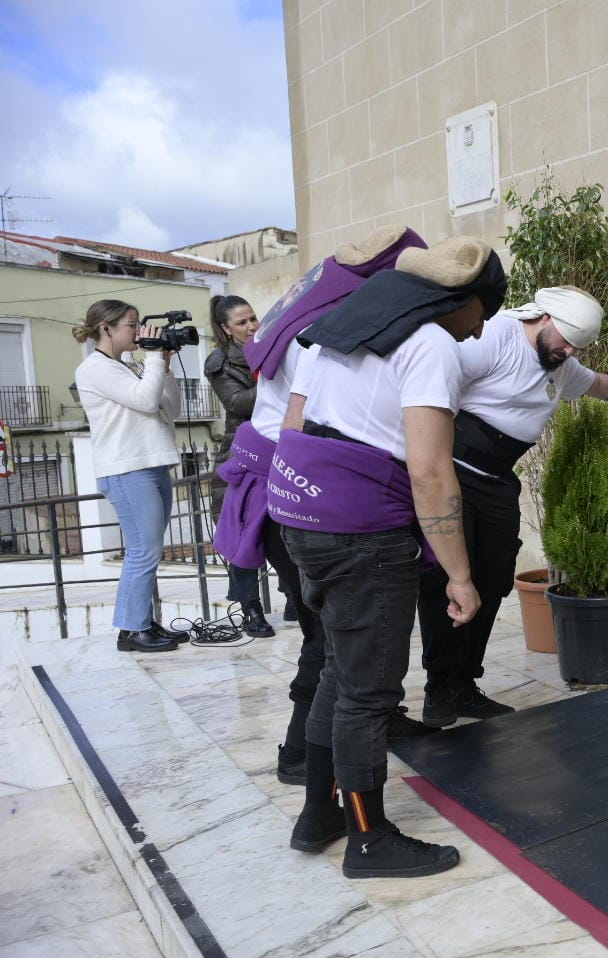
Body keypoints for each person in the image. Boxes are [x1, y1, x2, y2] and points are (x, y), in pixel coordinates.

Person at [270, 235, 504, 878]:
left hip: (303, 516)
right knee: (369, 691)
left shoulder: (334, 330)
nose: (479, 328)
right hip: (362, 534)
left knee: (340, 673)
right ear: (458, 300)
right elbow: (431, 472)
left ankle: (320, 813)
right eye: (482, 311)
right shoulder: (428, 342)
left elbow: (293, 429)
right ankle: (369, 841)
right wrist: (461, 574)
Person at [215, 225, 429, 785]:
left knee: (341, 639)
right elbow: (307, 420)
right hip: (298, 484)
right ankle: (300, 755)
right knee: (327, 637)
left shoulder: (308, 312)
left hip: (280, 478)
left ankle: (370, 723)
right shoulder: (328, 326)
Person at [417, 285, 608, 725]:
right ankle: (438, 690)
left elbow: (602, 385)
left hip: (498, 481)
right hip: (454, 473)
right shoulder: (496, 337)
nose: (568, 352)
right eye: (565, 341)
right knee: (447, 583)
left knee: (493, 580)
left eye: (576, 347)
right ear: (544, 319)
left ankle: (465, 685)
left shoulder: (560, 364)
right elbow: (429, 386)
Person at [72, 300, 188, 653]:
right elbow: (143, 402)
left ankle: (140, 622)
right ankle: (133, 630)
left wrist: (163, 366)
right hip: (127, 469)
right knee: (143, 551)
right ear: (106, 328)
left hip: (151, 464)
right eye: (132, 325)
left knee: (148, 551)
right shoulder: (93, 369)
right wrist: (153, 359)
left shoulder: (127, 366)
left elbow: (169, 407)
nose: (139, 332)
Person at [204, 294, 274, 636]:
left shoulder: (270, 345)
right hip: (242, 452)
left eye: (253, 318)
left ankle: (295, 598)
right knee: (243, 534)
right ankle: (251, 610)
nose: (251, 327)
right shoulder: (219, 362)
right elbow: (236, 401)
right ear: (225, 328)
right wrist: (273, 374)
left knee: (284, 526)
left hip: (278, 446)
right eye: (241, 322)